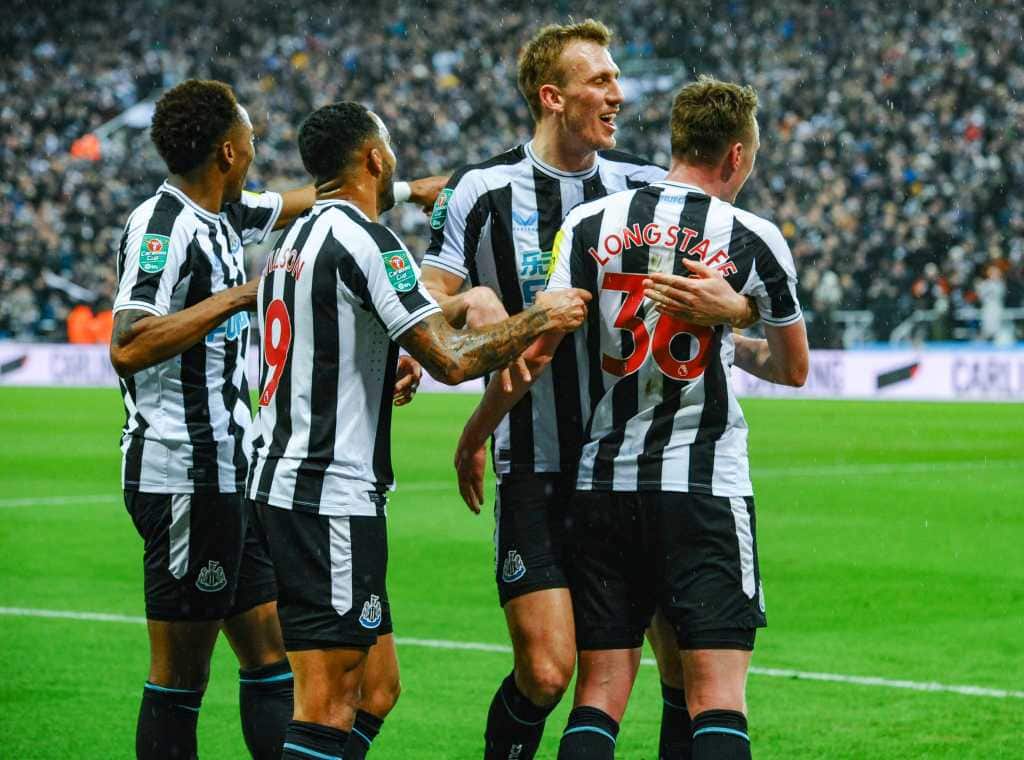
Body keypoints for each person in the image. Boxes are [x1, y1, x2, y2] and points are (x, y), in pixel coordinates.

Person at [422, 20, 757, 760]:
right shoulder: (478, 191)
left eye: (615, 78)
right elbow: (424, 293)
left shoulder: (640, 186)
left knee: (675, 668)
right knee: (547, 673)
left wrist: (743, 312)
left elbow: (724, 290)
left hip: (634, 466)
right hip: (536, 463)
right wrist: (470, 298)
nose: (618, 92)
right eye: (600, 80)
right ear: (552, 97)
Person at [245, 101, 591, 760]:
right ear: (374, 158)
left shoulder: (290, 244)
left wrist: (427, 331)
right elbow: (453, 360)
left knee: (377, 687)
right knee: (327, 702)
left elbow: (336, 342)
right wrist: (539, 315)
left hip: (287, 485)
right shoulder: (370, 241)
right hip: (327, 496)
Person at [108, 78, 442, 760]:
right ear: (228, 152)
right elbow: (129, 343)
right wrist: (239, 298)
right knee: (181, 674)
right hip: (183, 471)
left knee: (270, 661)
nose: (259, 153)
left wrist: (407, 188)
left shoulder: (228, 215)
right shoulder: (163, 225)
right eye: (253, 142)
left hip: (239, 475)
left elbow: (307, 198)